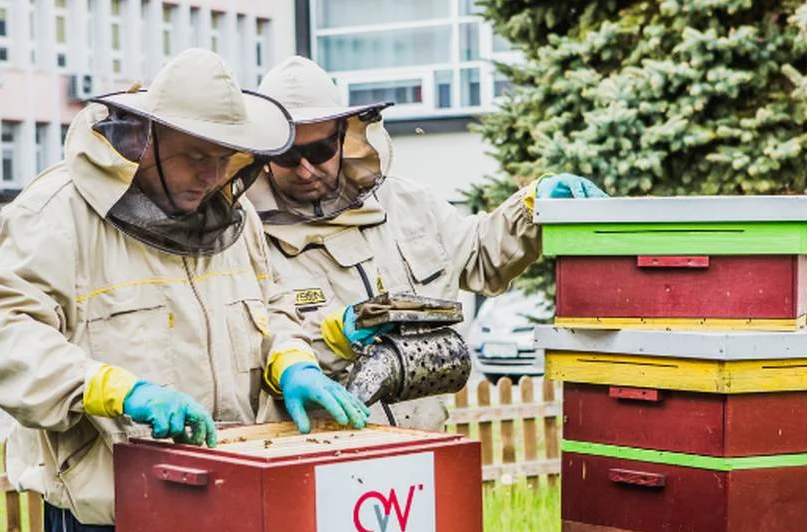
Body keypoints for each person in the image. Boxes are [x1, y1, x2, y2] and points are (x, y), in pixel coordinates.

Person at [0, 49, 368, 532]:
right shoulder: (57, 211)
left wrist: (290, 359)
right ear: (145, 140)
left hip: (227, 506)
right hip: (110, 513)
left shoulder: (236, 220)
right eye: (195, 156)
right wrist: (114, 390)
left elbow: (268, 313)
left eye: (223, 159)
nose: (210, 175)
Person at [247, 56, 607, 431]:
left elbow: (481, 256)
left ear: (344, 136)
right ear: (265, 154)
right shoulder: (244, 237)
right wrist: (333, 340)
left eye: (320, 150)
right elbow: (256, 351)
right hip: (323, 457)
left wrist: (531, 206)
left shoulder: (409, 203)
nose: (307, 169)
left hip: (422, 445)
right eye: (289, 155)